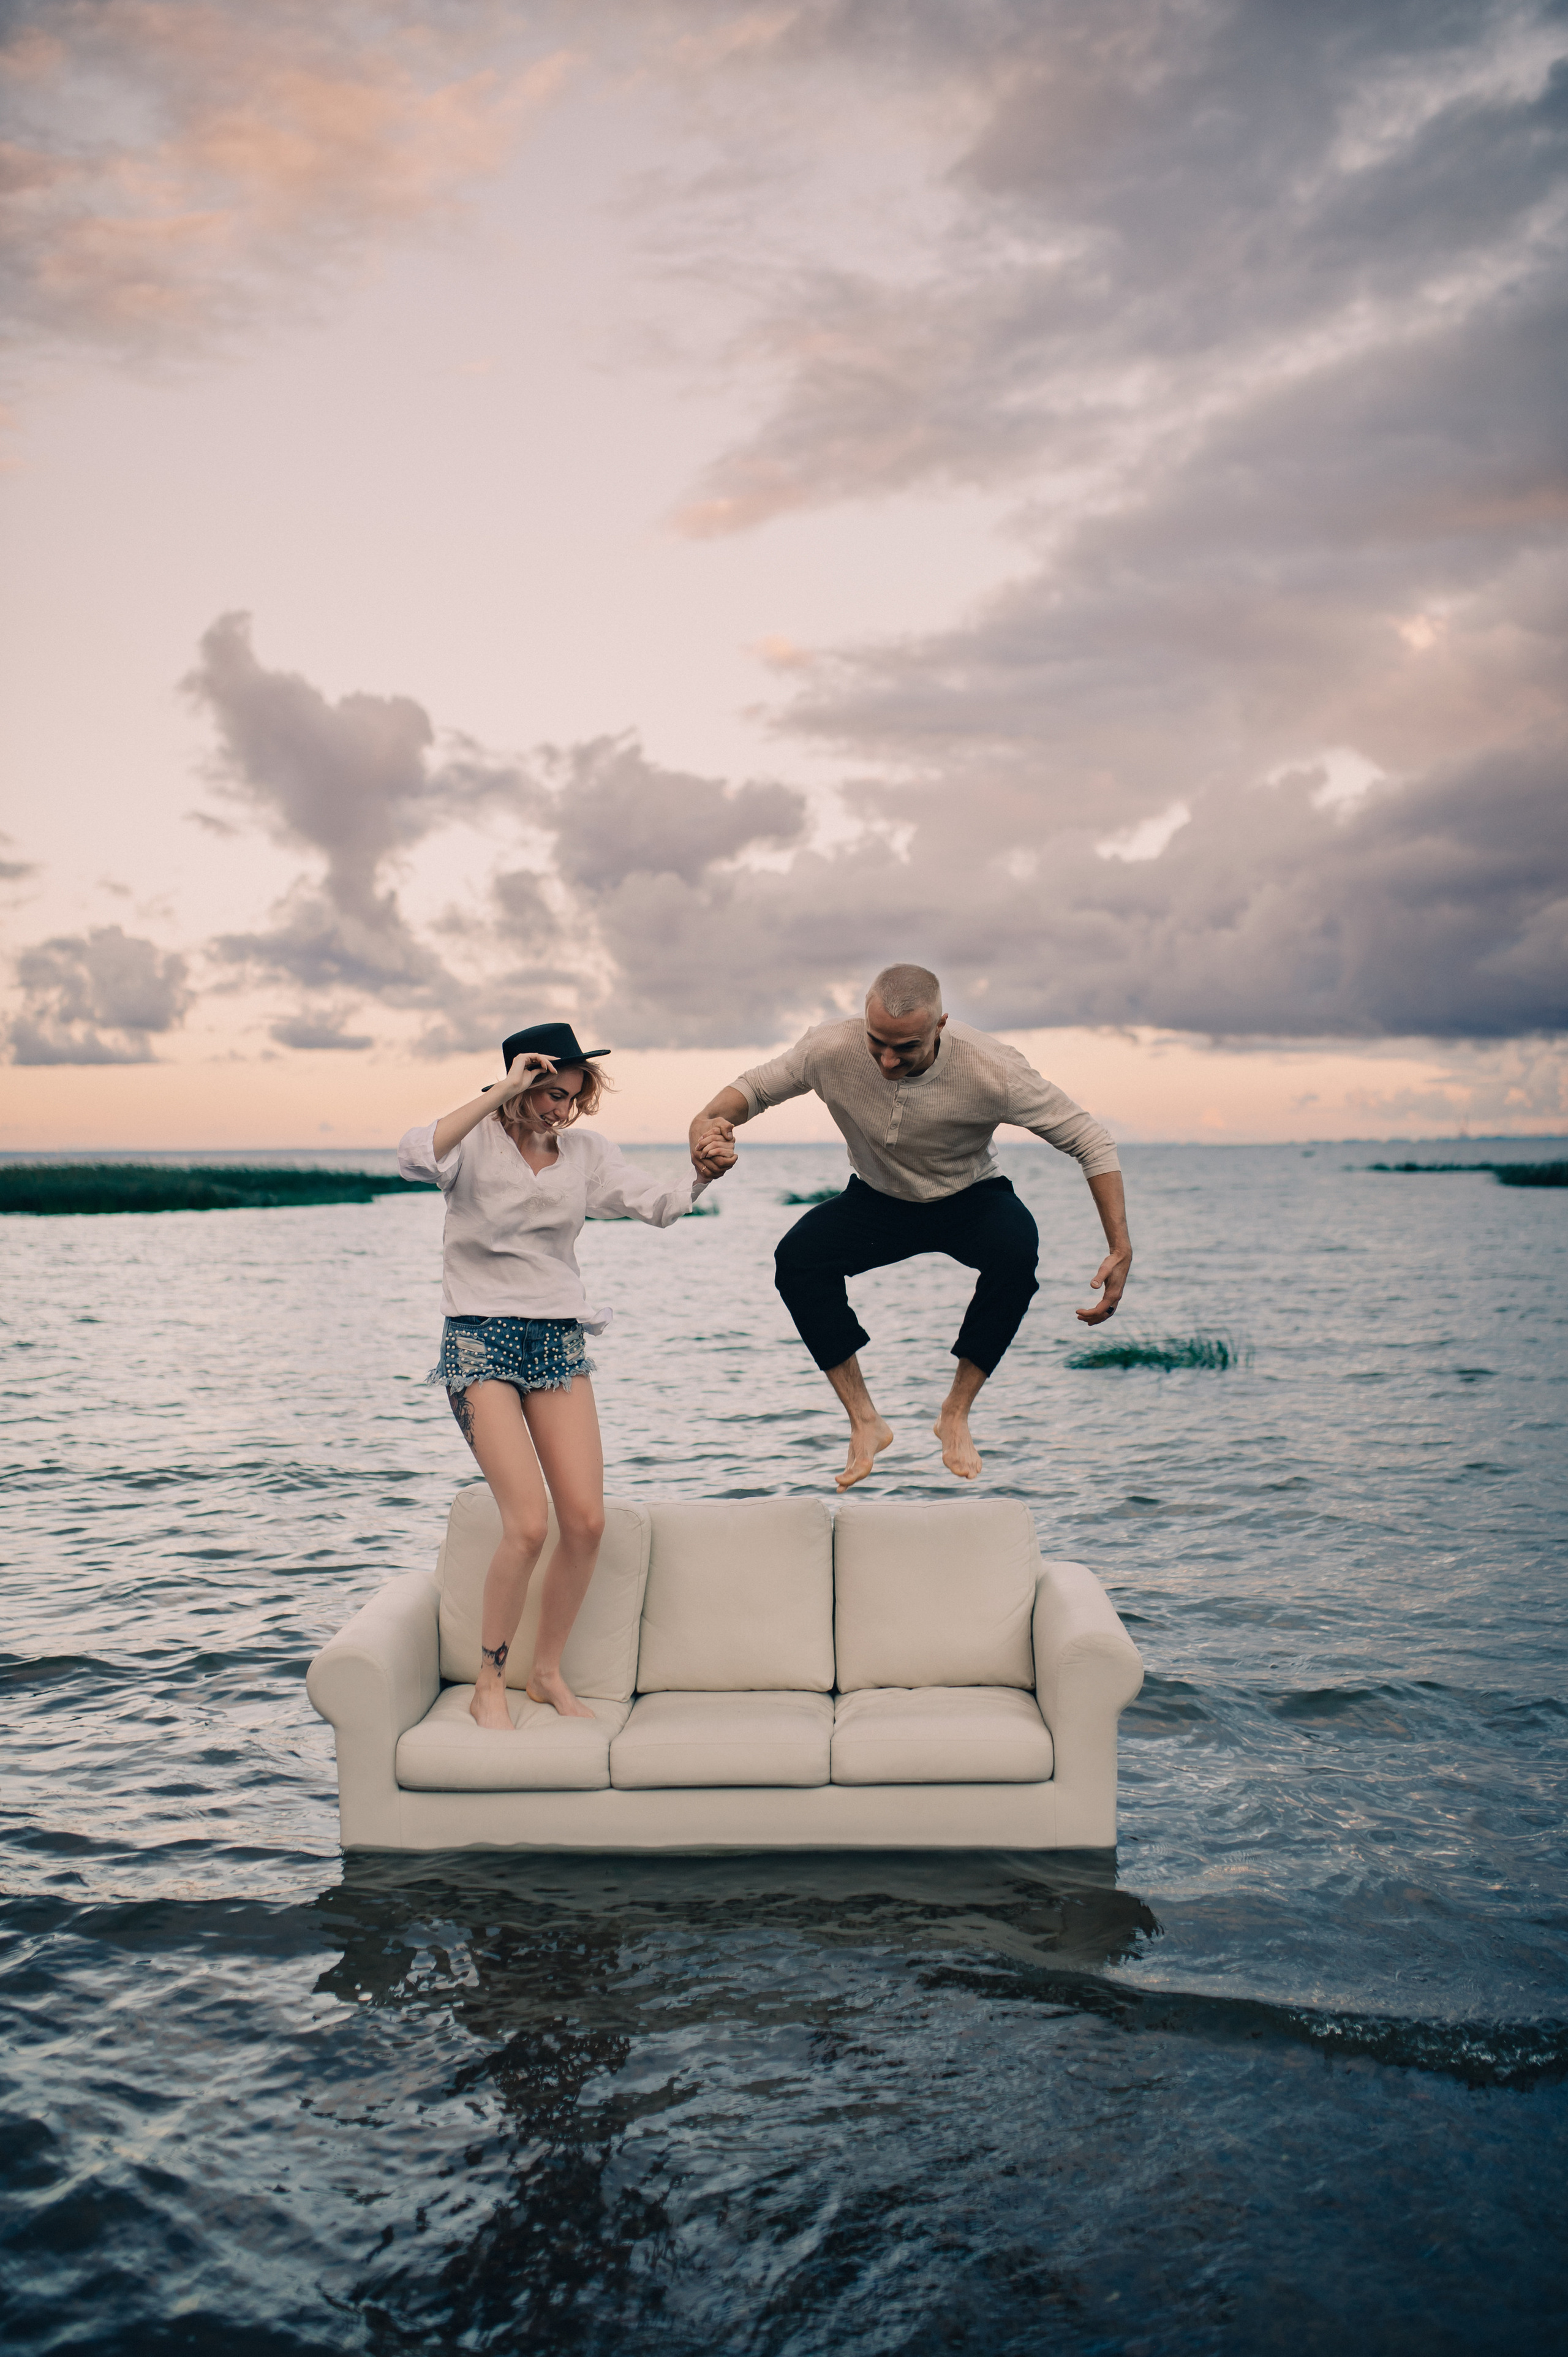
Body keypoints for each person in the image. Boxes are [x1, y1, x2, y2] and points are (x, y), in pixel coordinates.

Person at [400, 1021, 734, 1729]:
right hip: (479, 1342)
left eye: (573, 1096)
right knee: (527, 1524)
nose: (563, 1109)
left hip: (556, 1340)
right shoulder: (471, 1144)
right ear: (521, 1081)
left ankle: (546, 1672)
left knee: (585, 1522)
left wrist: (702, 1173)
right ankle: (490, 1681)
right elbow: (414, 1155)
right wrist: (500, 1092)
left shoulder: (585, 1154)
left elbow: (659, 1205)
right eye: (551, 1093)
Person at [688, 964, 1130, 1491]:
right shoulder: (829, 1047)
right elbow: (753, 1090)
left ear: (940, 1025)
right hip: (879, 1200)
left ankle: (956, 1413)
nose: (888, 1061)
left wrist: (1119, 1246)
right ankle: (865, 1421)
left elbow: (1090, 1140)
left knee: (1017, 1249)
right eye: (877, 1043)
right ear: (864, 1020)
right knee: (799, 1259)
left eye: (907, 1048)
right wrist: (707, 1128)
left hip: (970, 1198)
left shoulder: (994, 1068)